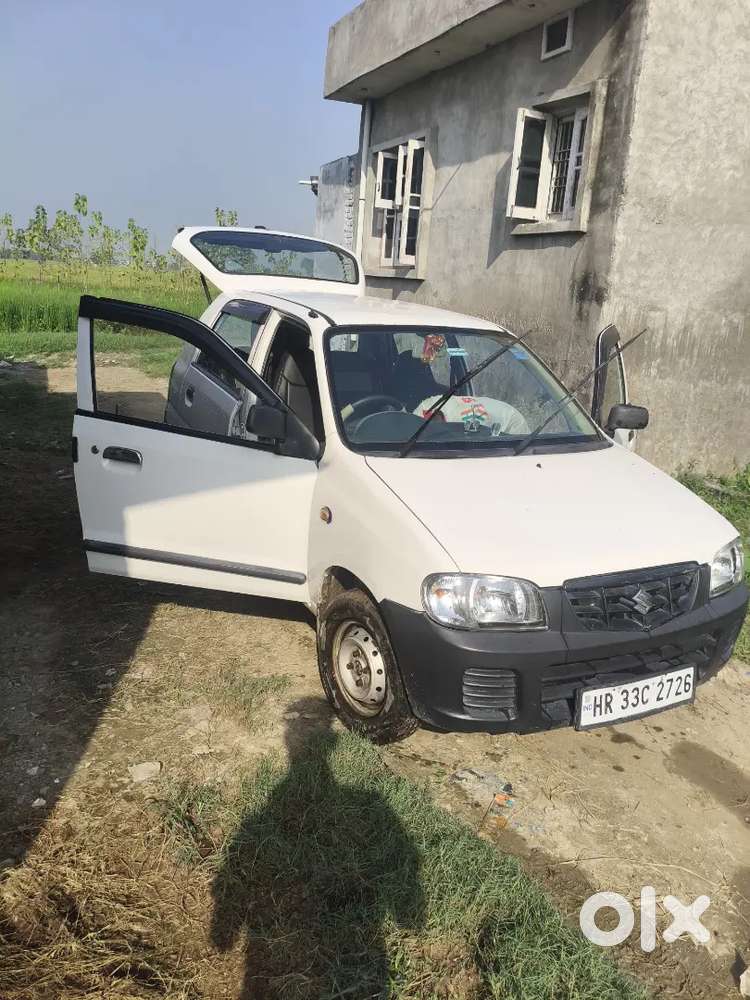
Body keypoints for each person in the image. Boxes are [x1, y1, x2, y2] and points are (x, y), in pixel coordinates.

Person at [210, 698, 426, 999]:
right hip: (345, 949)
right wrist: (410, 913)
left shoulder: (272, 811)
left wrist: (224, 921)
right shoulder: (367, 802)